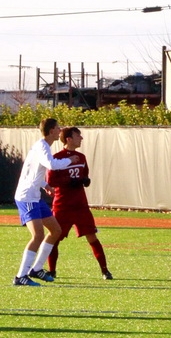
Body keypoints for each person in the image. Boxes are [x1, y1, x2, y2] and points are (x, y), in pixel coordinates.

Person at [12, 118, 81, 286]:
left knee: (56, 230)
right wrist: (70, 161)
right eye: (58, 128)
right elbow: (51, 164)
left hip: (35, 195)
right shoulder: (42, 146)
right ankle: (21, 276)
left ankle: (36, 269)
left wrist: (45, 185)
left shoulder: (41, 146)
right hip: (27, 197)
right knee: (37, 235)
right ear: (51, 131)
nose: (60, 130)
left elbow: (31, 170)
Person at [45, 127, 113, 280]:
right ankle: (51, 271)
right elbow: (51, 181)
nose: (81, 138)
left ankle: (105, 270)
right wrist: (70, 181)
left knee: (92, 237)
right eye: (78, 135)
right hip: (63, 206)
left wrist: (85, 180)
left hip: (81, 205)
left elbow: (84, 174)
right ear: (69, 139)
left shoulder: (81, 157)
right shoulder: (57, 158)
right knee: (54, 238)